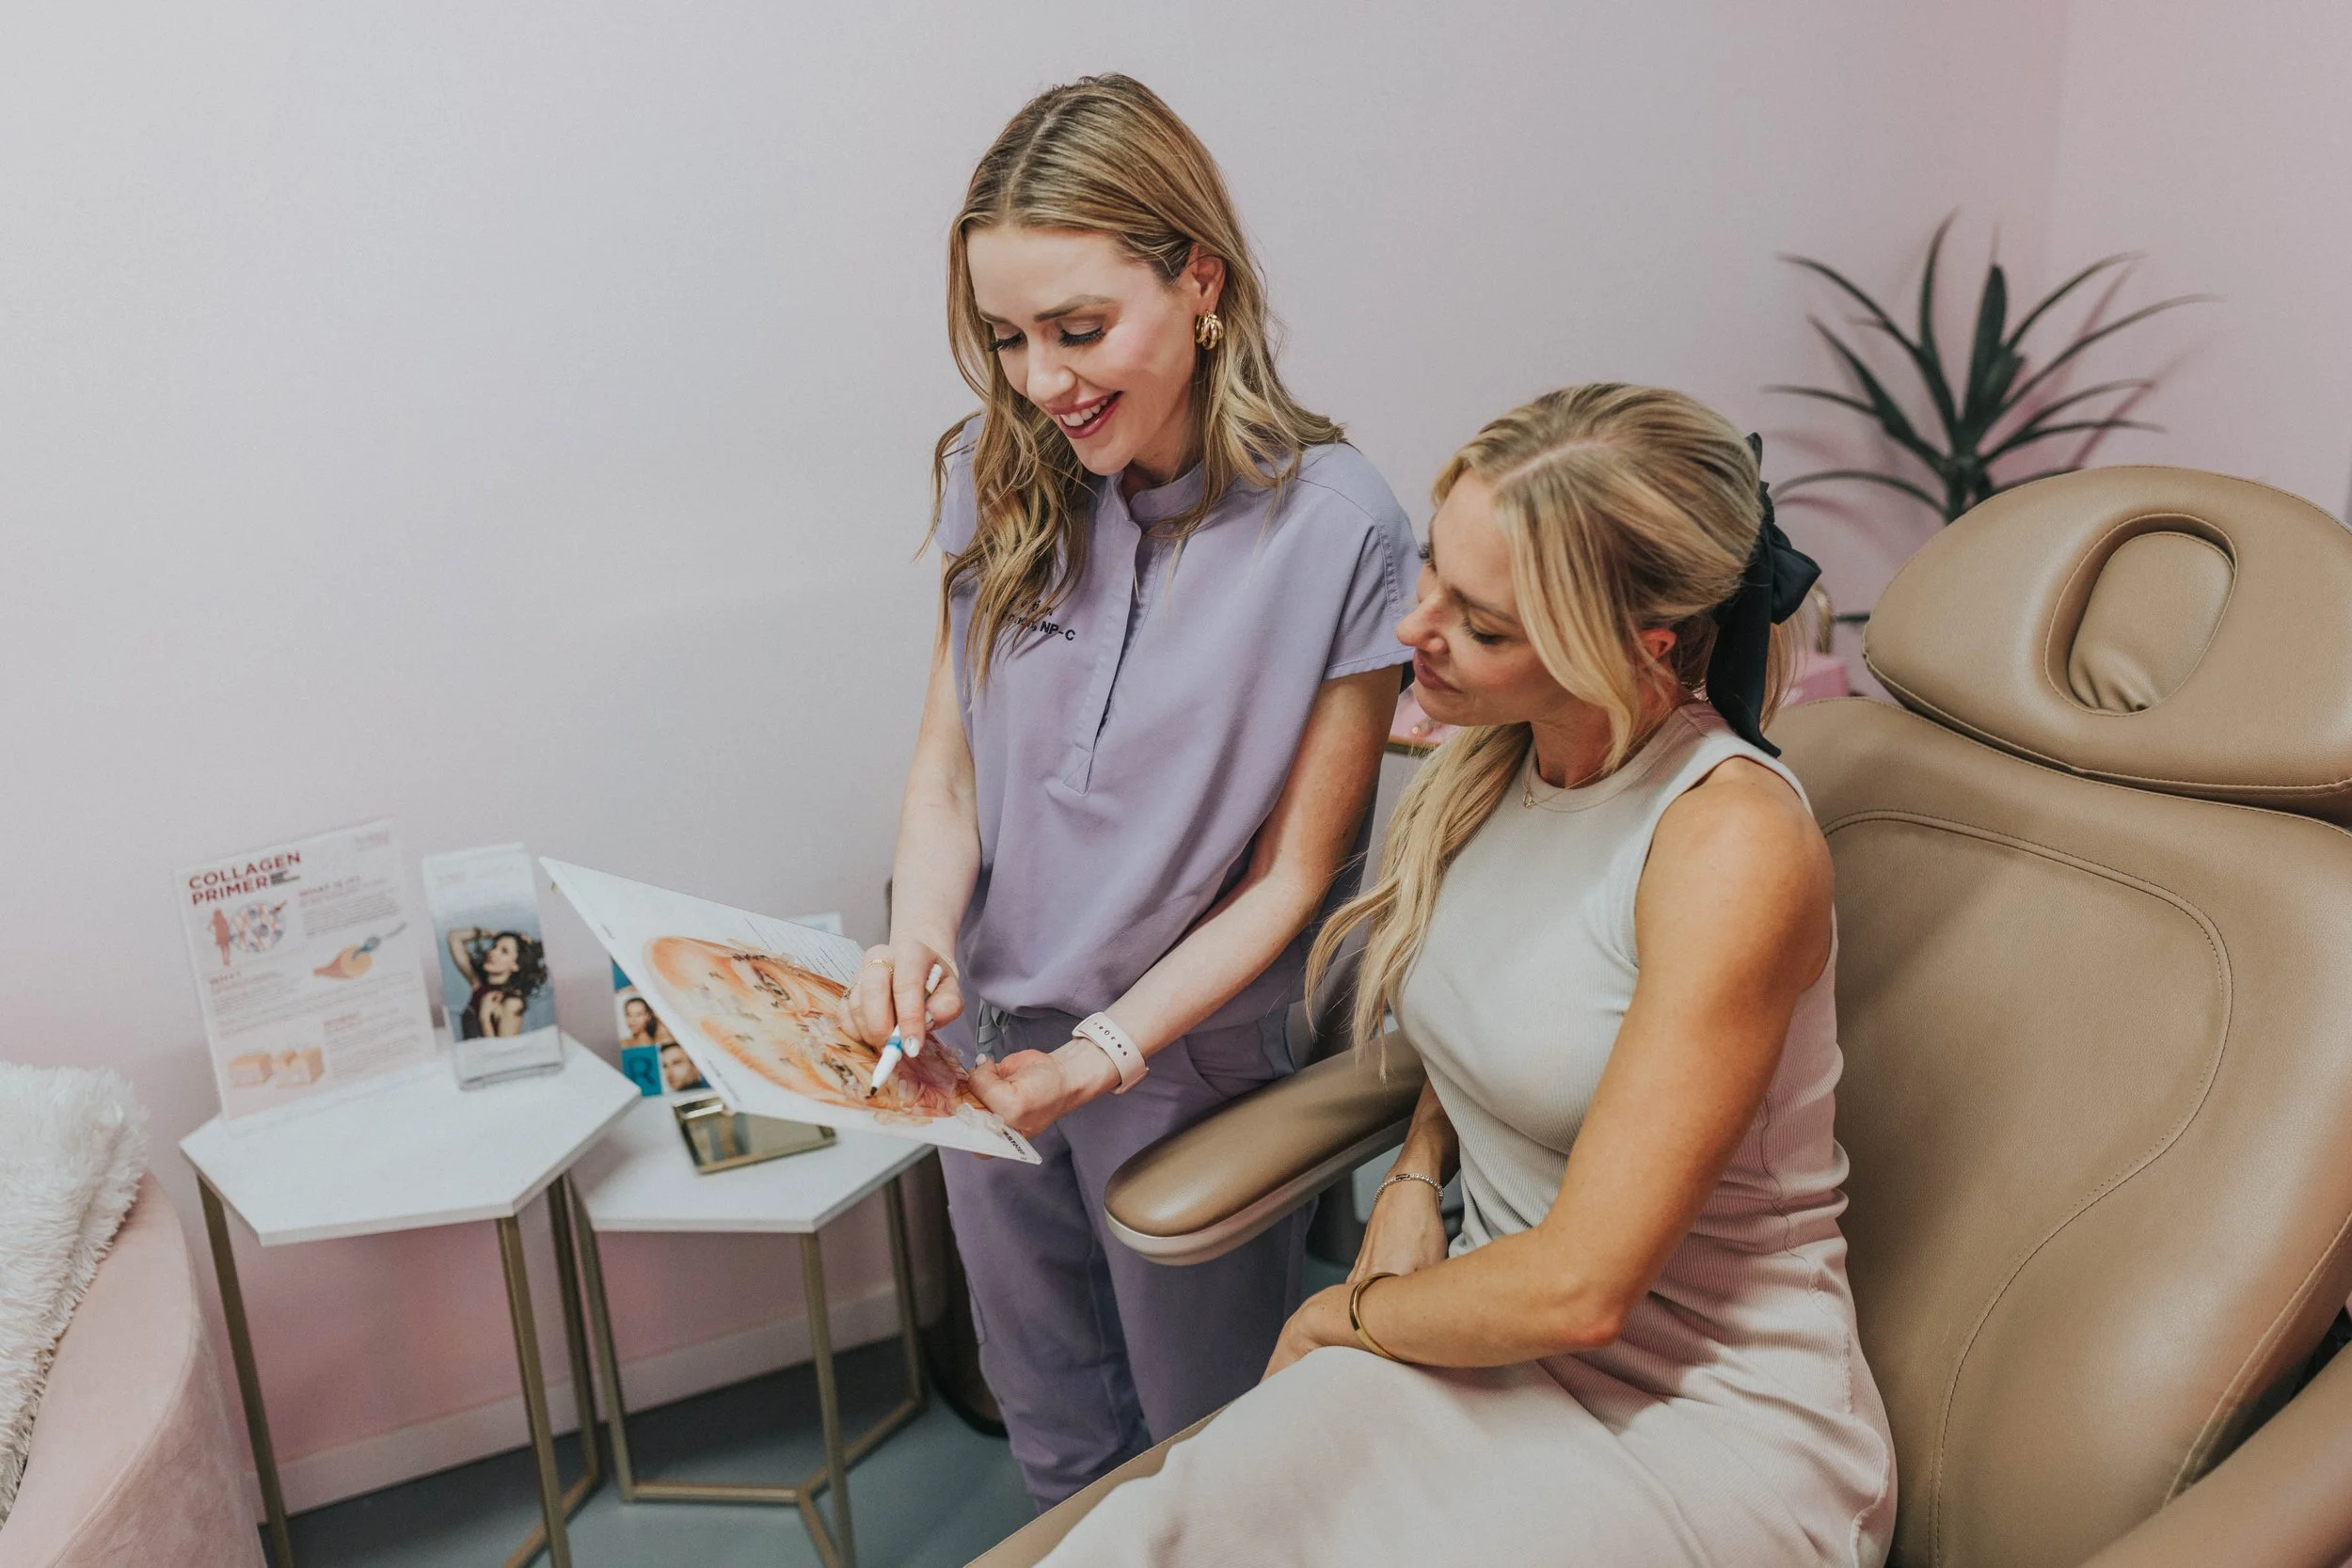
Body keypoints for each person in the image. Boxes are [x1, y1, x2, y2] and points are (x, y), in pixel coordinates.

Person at [1035, 386, 1898, 1566]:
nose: (1415, 629)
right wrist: (1415, 1173)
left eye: (1482, 624)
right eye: (1432, 572)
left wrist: (1343, 1313)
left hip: (1698, 1420)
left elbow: (1585, 1289)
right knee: (1141, 1540)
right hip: (1480, 1342)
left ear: (1641, 644)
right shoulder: (1494, 762)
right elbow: (1510, 1012)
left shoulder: (1726, 843)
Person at [846, 74, 1417, 1507]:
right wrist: (918, 936)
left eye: (1080, 329)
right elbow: (948, 763)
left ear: (1200, 281)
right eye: (1009, 337)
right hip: (987, 1042)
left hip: (1185, 1062)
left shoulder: (1341, 526)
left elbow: (1299, 877)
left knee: (1204, 1449)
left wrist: (1099, 1053)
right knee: (1053, 1430)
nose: (1044, 379)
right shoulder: (1005, 471)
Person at [445, 927, 548, 1039]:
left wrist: (484, 1018)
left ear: (516, 965)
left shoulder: (512, 1002)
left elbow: (503, 1053)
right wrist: (496, 934)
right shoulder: (478, 984)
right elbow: (454, 937)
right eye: (494, 946)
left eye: (504, 951)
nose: (492, 952)